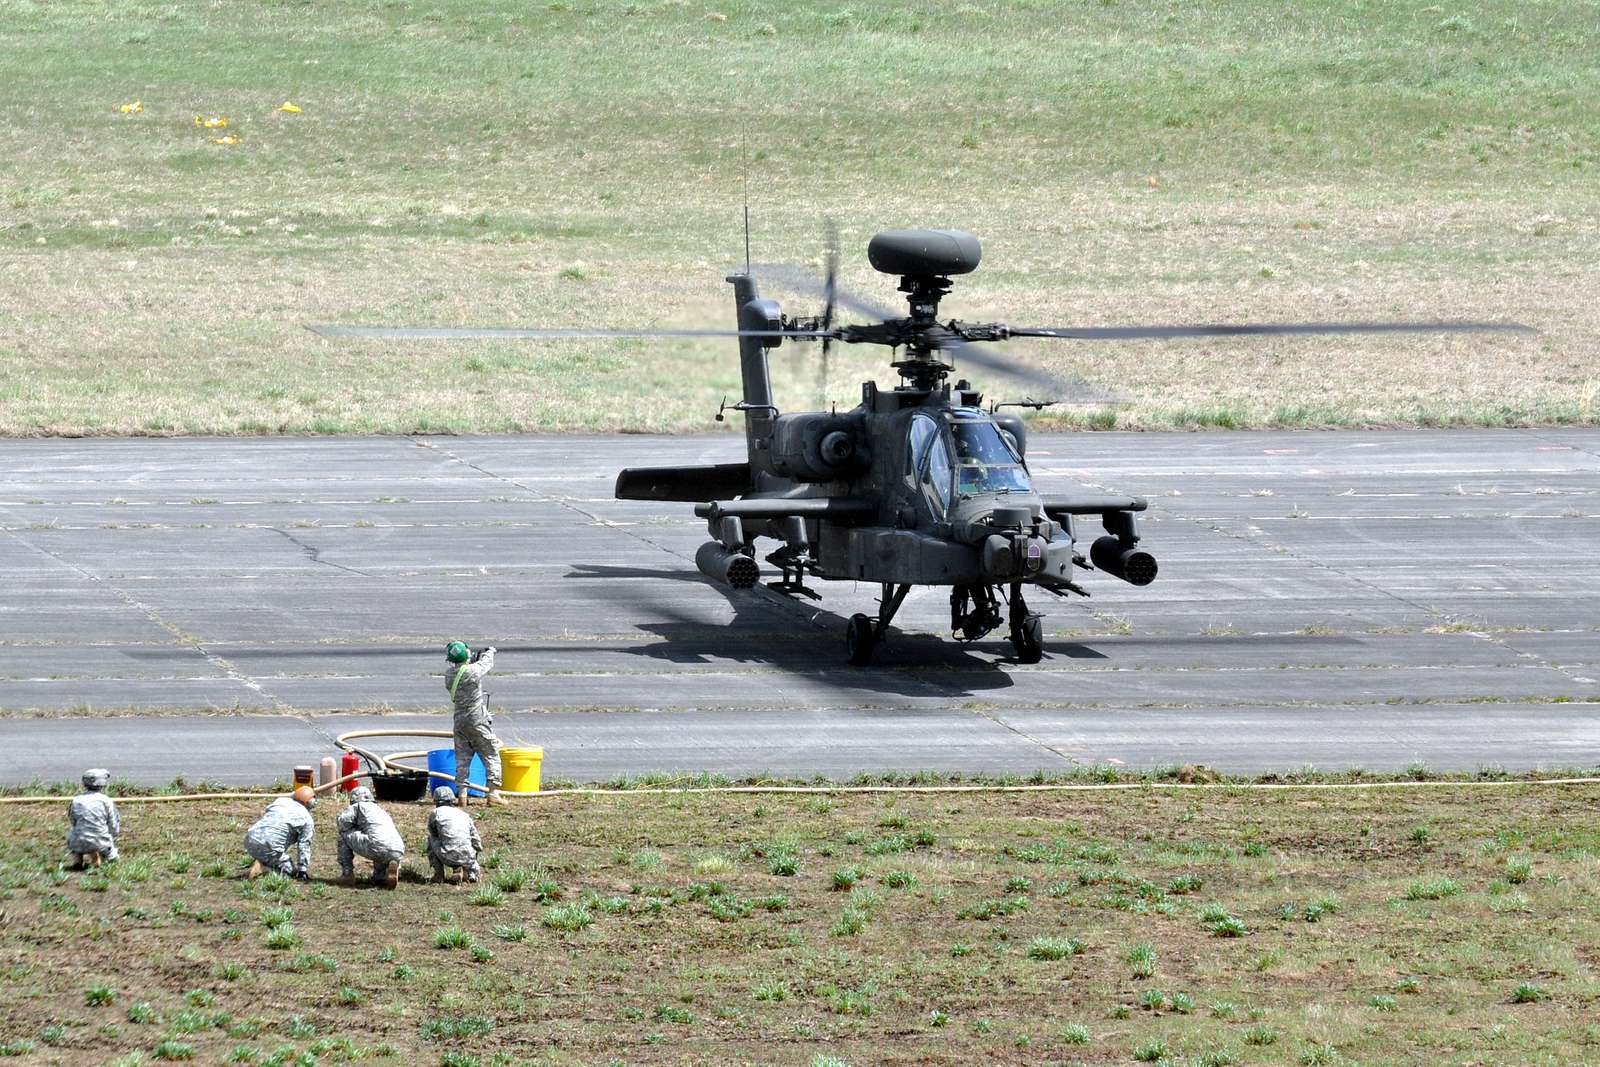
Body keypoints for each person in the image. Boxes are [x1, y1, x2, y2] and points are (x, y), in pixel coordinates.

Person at [444, 641, 505, 805]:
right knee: (490, 753)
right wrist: (490, 651)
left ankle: (462, 795)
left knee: (462, 758)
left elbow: (463, 672)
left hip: (459, 721)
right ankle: (493, 793)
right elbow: (486, 664)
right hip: (477, 719)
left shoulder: (449, 675)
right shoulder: (473, 670)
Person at [335, 786, 405, 889]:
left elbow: (343, 824)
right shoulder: (380, 810)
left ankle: (347, 874)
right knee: (379, 846)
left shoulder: (358, 806)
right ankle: (382, 878)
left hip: (376, 845)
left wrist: (339, 817)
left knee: (343, 834)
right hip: (397, 848)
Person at [244, 786, 316, 879]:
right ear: (310, 803)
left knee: (268, 853)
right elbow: (304, 845)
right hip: (271, 847)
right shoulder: (307, 819)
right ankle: (264, 868)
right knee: (290, 872)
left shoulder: (280, 801)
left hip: (250, 839)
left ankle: (262, 859)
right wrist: (302, 869)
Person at [426, 786, 483, 883]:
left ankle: (438, 875)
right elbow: (476, 841)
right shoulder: (464, 814)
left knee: (430, 839)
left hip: (448, 856)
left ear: (436, 800)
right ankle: (469, 872)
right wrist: (474, 854)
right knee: (469, 845)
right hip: (468, 857)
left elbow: (433, 832)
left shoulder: (436, 813)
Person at [66, 768, 121, 868]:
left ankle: (78, 859)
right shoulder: (106, 800)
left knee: (75, 833)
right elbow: (113, 825)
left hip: (77, 841)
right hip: (100, 842)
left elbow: (73, 820)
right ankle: (97, 859)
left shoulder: (76, 800)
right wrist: (112, 835)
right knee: (113, 858)